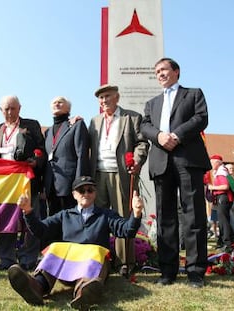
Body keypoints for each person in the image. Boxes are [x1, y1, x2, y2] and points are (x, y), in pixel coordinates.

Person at [7, 176, 143, 310]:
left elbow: (127, 231)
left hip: (94, 268)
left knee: (95, 252)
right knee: (55, 248)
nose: (86, 194)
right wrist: (28, 211)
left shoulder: (106, 215)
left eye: (90, 190)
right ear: (74, 194)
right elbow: (41, 230)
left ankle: (85, 293)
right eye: (81, 191)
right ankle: (36, 286)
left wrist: (136, 214)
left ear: (95, 193)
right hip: (67, 267)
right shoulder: (64, 215)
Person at [140, 58, 211, 288]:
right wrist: (160, 136)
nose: (160, 74)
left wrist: (176, 135)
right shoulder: (152, 103)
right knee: (165, 218)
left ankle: (195, 271)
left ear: (176, 72)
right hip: (161, 162)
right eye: (157, 71)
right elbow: (144, 126)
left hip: (188, 159)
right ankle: (167, 271)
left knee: (193, 215)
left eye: (164, 69)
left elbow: (201, 118)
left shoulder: (193, 94)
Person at [89, 84, 149, 277]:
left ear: (117, 97)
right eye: (100, 98)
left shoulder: (131, 117)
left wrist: (138, 160)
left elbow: (142, 142)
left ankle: (125, 262)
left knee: (122, 217)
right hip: (98, 173)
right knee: (97, 219)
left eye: (107, 96)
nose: (104, 101)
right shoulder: (94, 121)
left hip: (121, 173)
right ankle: (101, 259)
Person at [0, 95, 46, 271]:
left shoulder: (31, 125)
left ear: (19, 108)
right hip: (4, 185)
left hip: (27, 181)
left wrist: (35, 161)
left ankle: (28, 259)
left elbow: (41, 151)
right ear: (1, 110)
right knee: (6, 222)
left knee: (30, 220)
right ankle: (6, 259)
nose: (10, 112)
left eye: (13, 108)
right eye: (6, 109)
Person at [43, 96, 90, 216]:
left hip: (69, 185)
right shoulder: (48, 132)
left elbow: (82, 155)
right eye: (54, 102)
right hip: (51, 185)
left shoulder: (76, 125)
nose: (57, 104)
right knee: (54, 223)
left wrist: (79, 183)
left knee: (71, 221)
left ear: (68, 108)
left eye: (61, 102)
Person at [208, 155, 233, 252]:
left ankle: (227, 242)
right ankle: (223, 240)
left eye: (212, 162)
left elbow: (225, 186)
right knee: (222, 220)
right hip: (221, 198)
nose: (211, 165)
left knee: (224, 221)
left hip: (223, 197)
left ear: (217, 162)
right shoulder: (220, 172)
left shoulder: (221, 172)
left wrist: (212, 188)